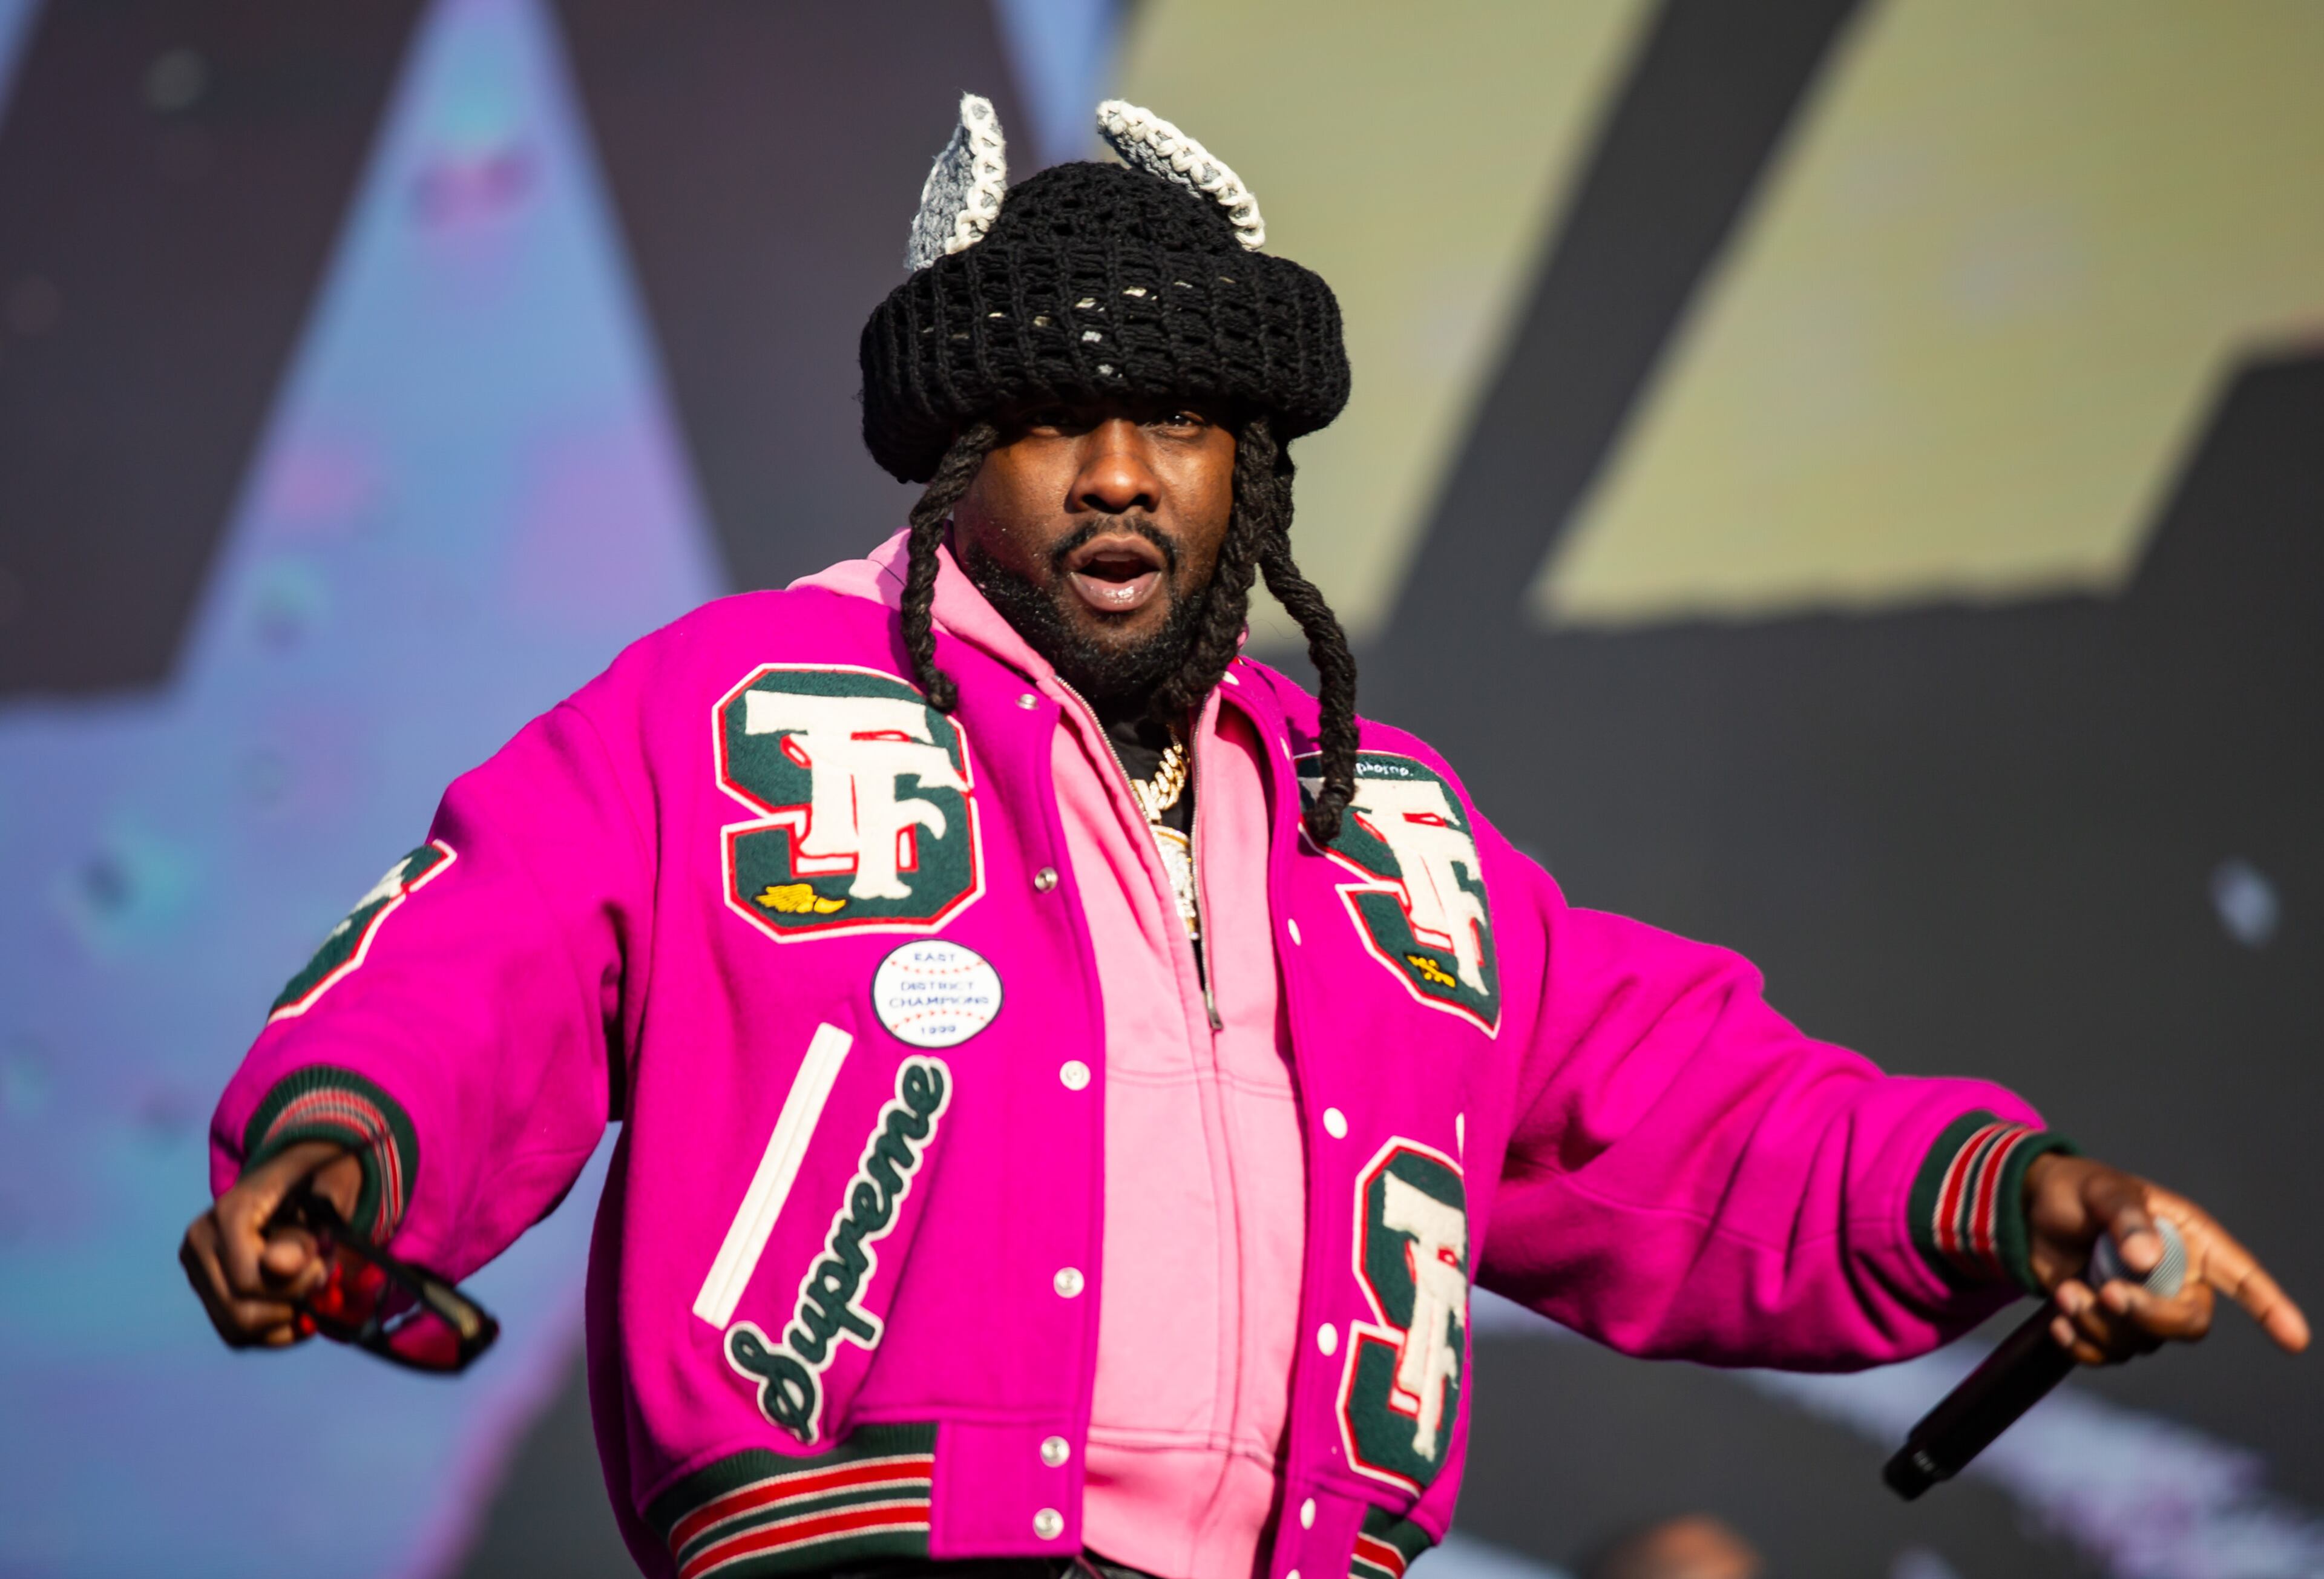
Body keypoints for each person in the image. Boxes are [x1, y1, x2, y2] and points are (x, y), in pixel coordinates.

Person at [180, 95, 2306, 1579]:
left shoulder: (1382, 828)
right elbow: (491, 950)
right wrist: (342, 1154)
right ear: (954, 458)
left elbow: (1680, 1112)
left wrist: (2006, 1194)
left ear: (1250, 472)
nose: (1120, 472)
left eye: (1181, 419)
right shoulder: (739, 708)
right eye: (1052, 419)